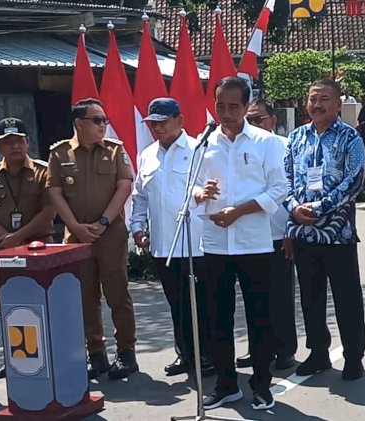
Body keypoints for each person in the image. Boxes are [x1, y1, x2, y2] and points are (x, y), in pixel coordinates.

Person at [193, 77, 286, 411]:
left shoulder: (266, 142)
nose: (227, 113)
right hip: (215, 243)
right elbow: (192, 187)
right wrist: (200, 195)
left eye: (234, 106)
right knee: (217, 318)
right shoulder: (204, 142)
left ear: (248, 106)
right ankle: (226, 384)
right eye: (220, 105)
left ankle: (261, 384)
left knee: (260, 317)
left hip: (254, 243)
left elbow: (279, 189)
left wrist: (240, 211)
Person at [47, 98, 138, 380]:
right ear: (79, 123)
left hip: (109, 233)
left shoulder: (114, 151)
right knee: (85, 295)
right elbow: (54, 191)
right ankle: (95, 353)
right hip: (76, 236)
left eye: (104, 120)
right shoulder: (60, 153)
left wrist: (102, 222)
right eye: (97, 120)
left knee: (117, 293)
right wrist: (74, 225)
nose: (103, 126)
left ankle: (126, 352)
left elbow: (125, 186)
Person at [284, 79, 365, 381]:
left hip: (338, 234)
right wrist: (293, 207)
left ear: (337, 104)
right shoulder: (295, 138)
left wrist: (319, 208)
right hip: (304, 234)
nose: (317, 105)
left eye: (324, 99)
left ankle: (353, 356)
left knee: (347, 299)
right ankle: (318, 352)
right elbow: (286, 180)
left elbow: (354, 180)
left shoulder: (350, 138)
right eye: (312, 98)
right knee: (311, 297)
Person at [130, 98, 213, 379]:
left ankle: (208, 355)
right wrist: (137, 225)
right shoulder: (148, 154)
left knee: (201, 304)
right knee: (176, 303)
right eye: (153, 123)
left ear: (179, 119)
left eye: (162, 122)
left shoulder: (199, 151)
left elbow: (211, 190)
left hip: (195, 244)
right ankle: (185, 354)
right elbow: (140, 195)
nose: (157, 128)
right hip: (162, 245)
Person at [0, 117, 56, 380]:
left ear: (27, 142)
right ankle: (14, 358)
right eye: (8, 142)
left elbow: (49, 210)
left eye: (18, 140)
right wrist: (5, 238)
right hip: (3, 252)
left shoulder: (43, 171)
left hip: (39, 250)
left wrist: (19, 236)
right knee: (10, 307)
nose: (14, 146)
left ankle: (51, 355)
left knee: (45, 304)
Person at [235, 99, 298, 372]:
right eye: (250, 119)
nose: (254, 124)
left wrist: (290, 231)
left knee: (280, 296)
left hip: (277, 232)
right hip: (249, 234)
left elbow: (293, 191)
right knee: (254, 298)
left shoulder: (284, 147)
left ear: (273, 120)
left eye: (259, 118)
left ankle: (285, 350)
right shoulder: (240, 146)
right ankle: (259, 348)